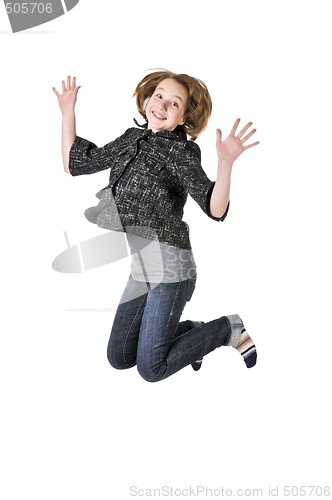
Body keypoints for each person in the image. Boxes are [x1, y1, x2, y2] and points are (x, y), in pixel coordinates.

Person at [52, 70, 259, 383]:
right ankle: (192, 335)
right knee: (120, 356)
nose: (163, 104)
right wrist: (68, 111)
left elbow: (215, 208)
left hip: (172, 268)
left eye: (174, 103)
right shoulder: (131, 139)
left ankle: (227, 328)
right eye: (160, 95)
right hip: (142, 268)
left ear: (183, 118)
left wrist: (226, 163)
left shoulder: (180, 152)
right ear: (147, 99)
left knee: (152, 368)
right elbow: (75, 163)